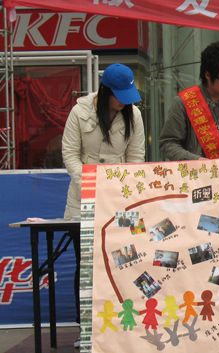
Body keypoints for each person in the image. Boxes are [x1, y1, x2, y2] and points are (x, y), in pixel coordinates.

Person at [61, 63, 145, 347]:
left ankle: (124, 326)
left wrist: (121, 190)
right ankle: (86, 328)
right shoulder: (79, 112)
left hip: (121, 198)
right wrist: (89, 184)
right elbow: (70, 154)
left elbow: (136, 158)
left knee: (126, 260)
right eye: (119, 96)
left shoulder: (134, 114)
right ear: (106, 91)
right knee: (87, 264)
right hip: (83, 197)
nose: (124, 101)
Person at [159, 41, 219, 160]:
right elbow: (168, 144)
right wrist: (197, 161)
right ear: (208, 75)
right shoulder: (184, 102)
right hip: (196, 170)